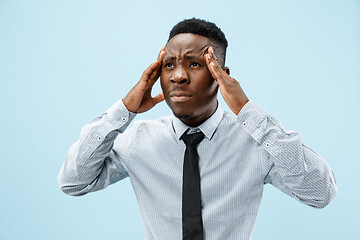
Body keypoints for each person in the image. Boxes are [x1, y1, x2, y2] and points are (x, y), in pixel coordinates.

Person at [58, 18, 337, 240]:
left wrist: (247, 111)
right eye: (169, 65)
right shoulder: (138, 141)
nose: (178, 76)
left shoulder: (257, 143)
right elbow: (73, 182)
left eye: (194, 64)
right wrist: (123, 111)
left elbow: (321, 192)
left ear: (221, 75)